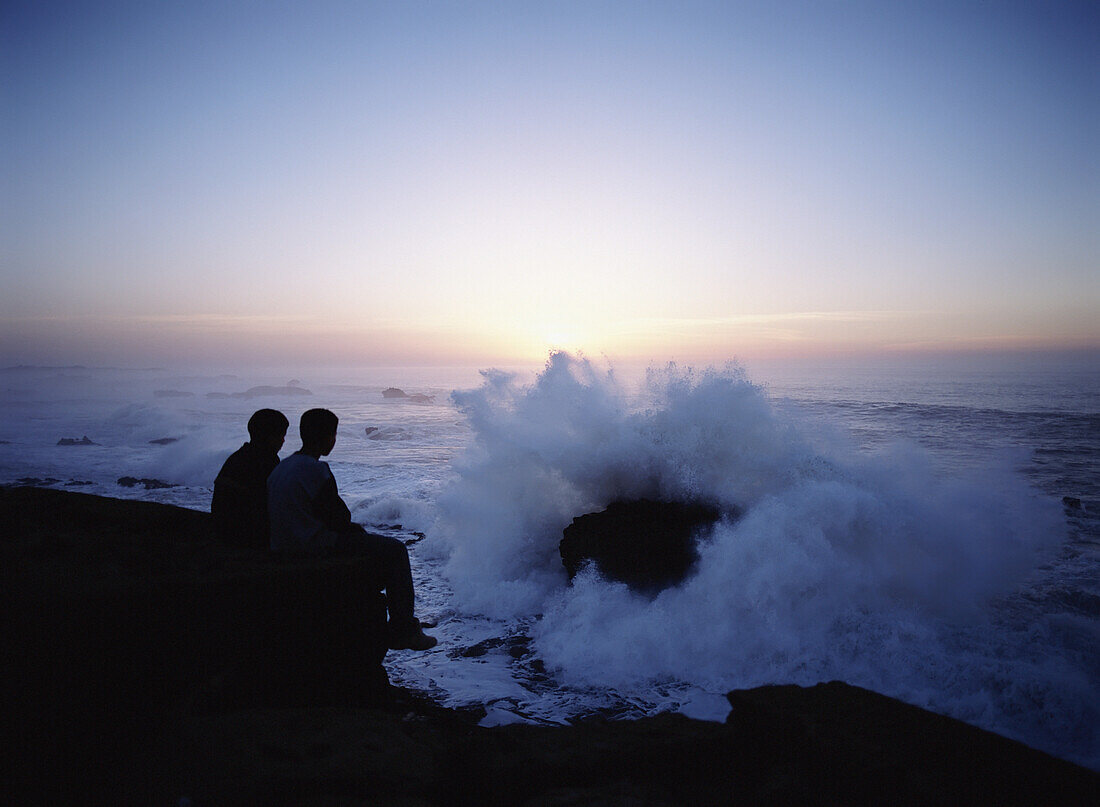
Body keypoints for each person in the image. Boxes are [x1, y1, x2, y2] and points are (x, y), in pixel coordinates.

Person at [267, 408, 437, 651]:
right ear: (329, 437)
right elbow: (339, 518)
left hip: (282, 546)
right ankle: (403, 629)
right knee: (395, 550)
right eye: (333, 435)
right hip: (313, 546)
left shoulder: (281, 468)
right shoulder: (316, 470)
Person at [211, 408, 289, 549]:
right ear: (270, 437)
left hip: (225, 533)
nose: (283, 441)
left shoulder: (238, 457)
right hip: (247, 539)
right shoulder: (265, 461)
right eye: (281, 436)